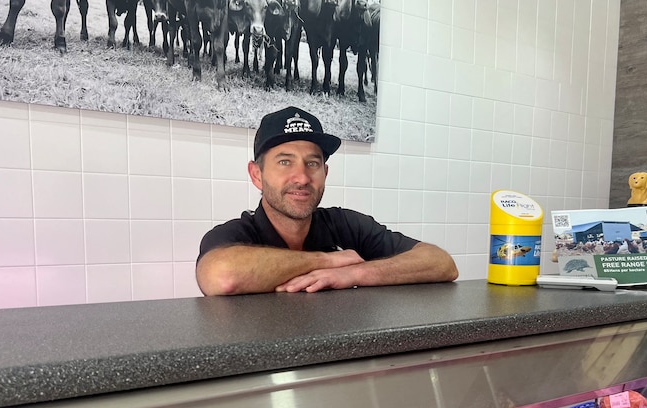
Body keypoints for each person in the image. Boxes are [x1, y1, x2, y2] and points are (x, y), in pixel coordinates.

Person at [196, 106, 459, 296]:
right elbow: (221, 276)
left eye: (313, 163)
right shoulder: (236, 235)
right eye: (285, 162)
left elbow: (440, 263)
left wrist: (355, 273)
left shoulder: (347, 225)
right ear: (256, 174)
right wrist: (328, 261)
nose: (301, 177)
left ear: (325, 173)